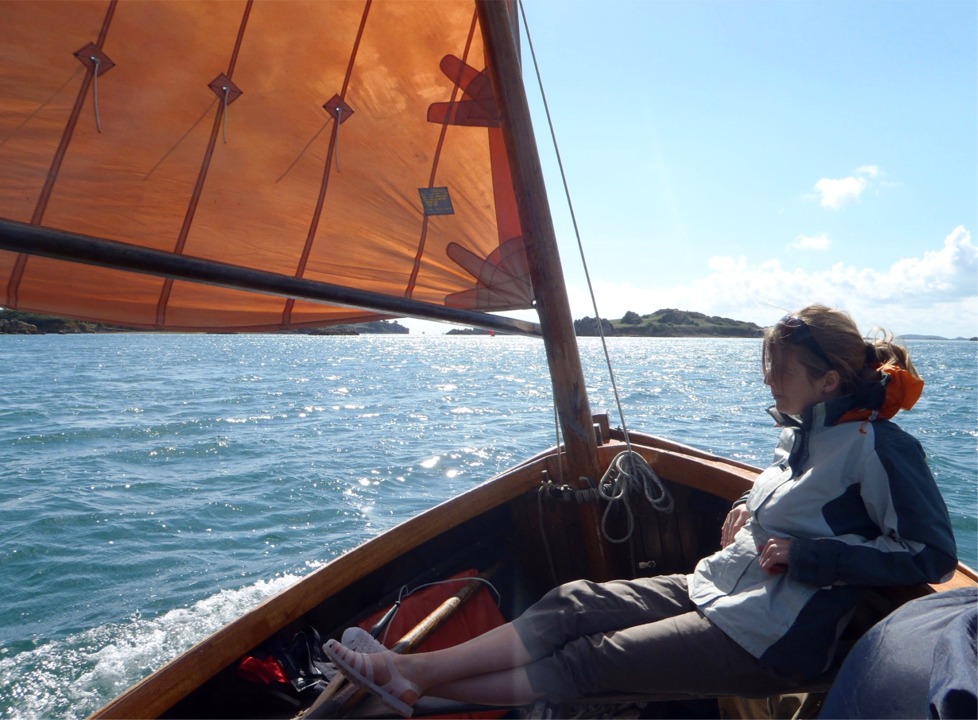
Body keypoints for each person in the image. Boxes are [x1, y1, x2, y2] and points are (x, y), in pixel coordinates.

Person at [324, 305, 959, 718]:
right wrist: (744, 503)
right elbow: (797, 502)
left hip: (773, 635)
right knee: (574, 602)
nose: (769, 380)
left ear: (827, 381)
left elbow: (930, 555)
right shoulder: (807, 434)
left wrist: (813, 555)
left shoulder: (881, 448)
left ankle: (414, 685)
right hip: (721, 588)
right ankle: (409, 673)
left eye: (780, 369)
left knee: (586, 661)